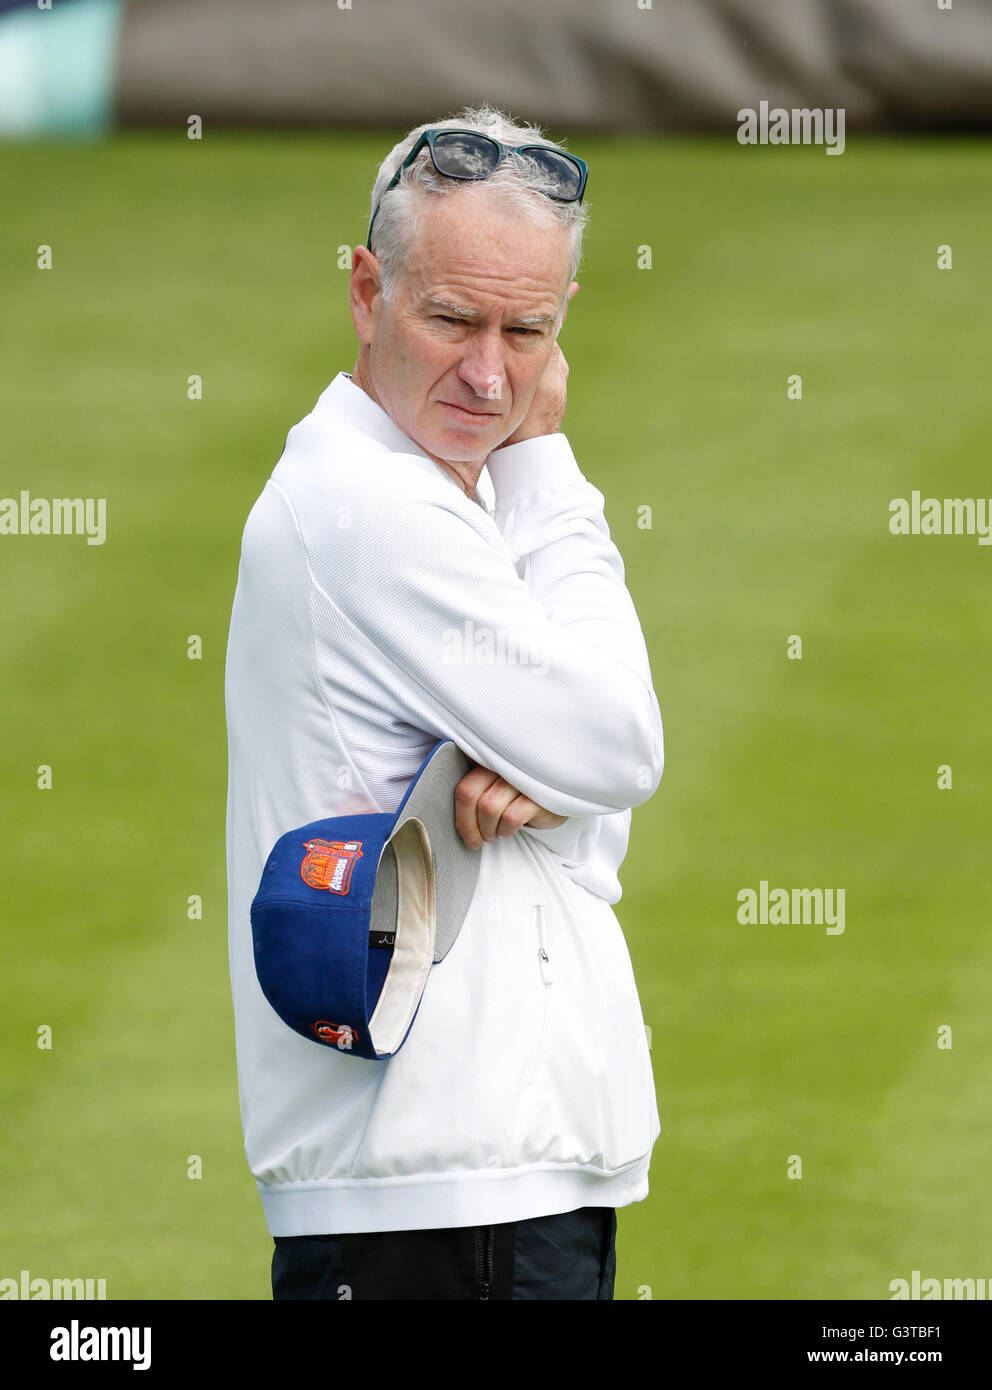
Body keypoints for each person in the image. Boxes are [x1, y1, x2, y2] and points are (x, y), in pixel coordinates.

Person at [224, 103, 665, 1301]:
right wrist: (542, 461)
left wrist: (556, 779)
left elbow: (592, 832)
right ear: (368, 293)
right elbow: (621, 741)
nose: (487, 373)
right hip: (436, 1199)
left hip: (496, 1180)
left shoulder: (451, 500)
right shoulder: (377, 506)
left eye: (526, 330)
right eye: (452, 318)